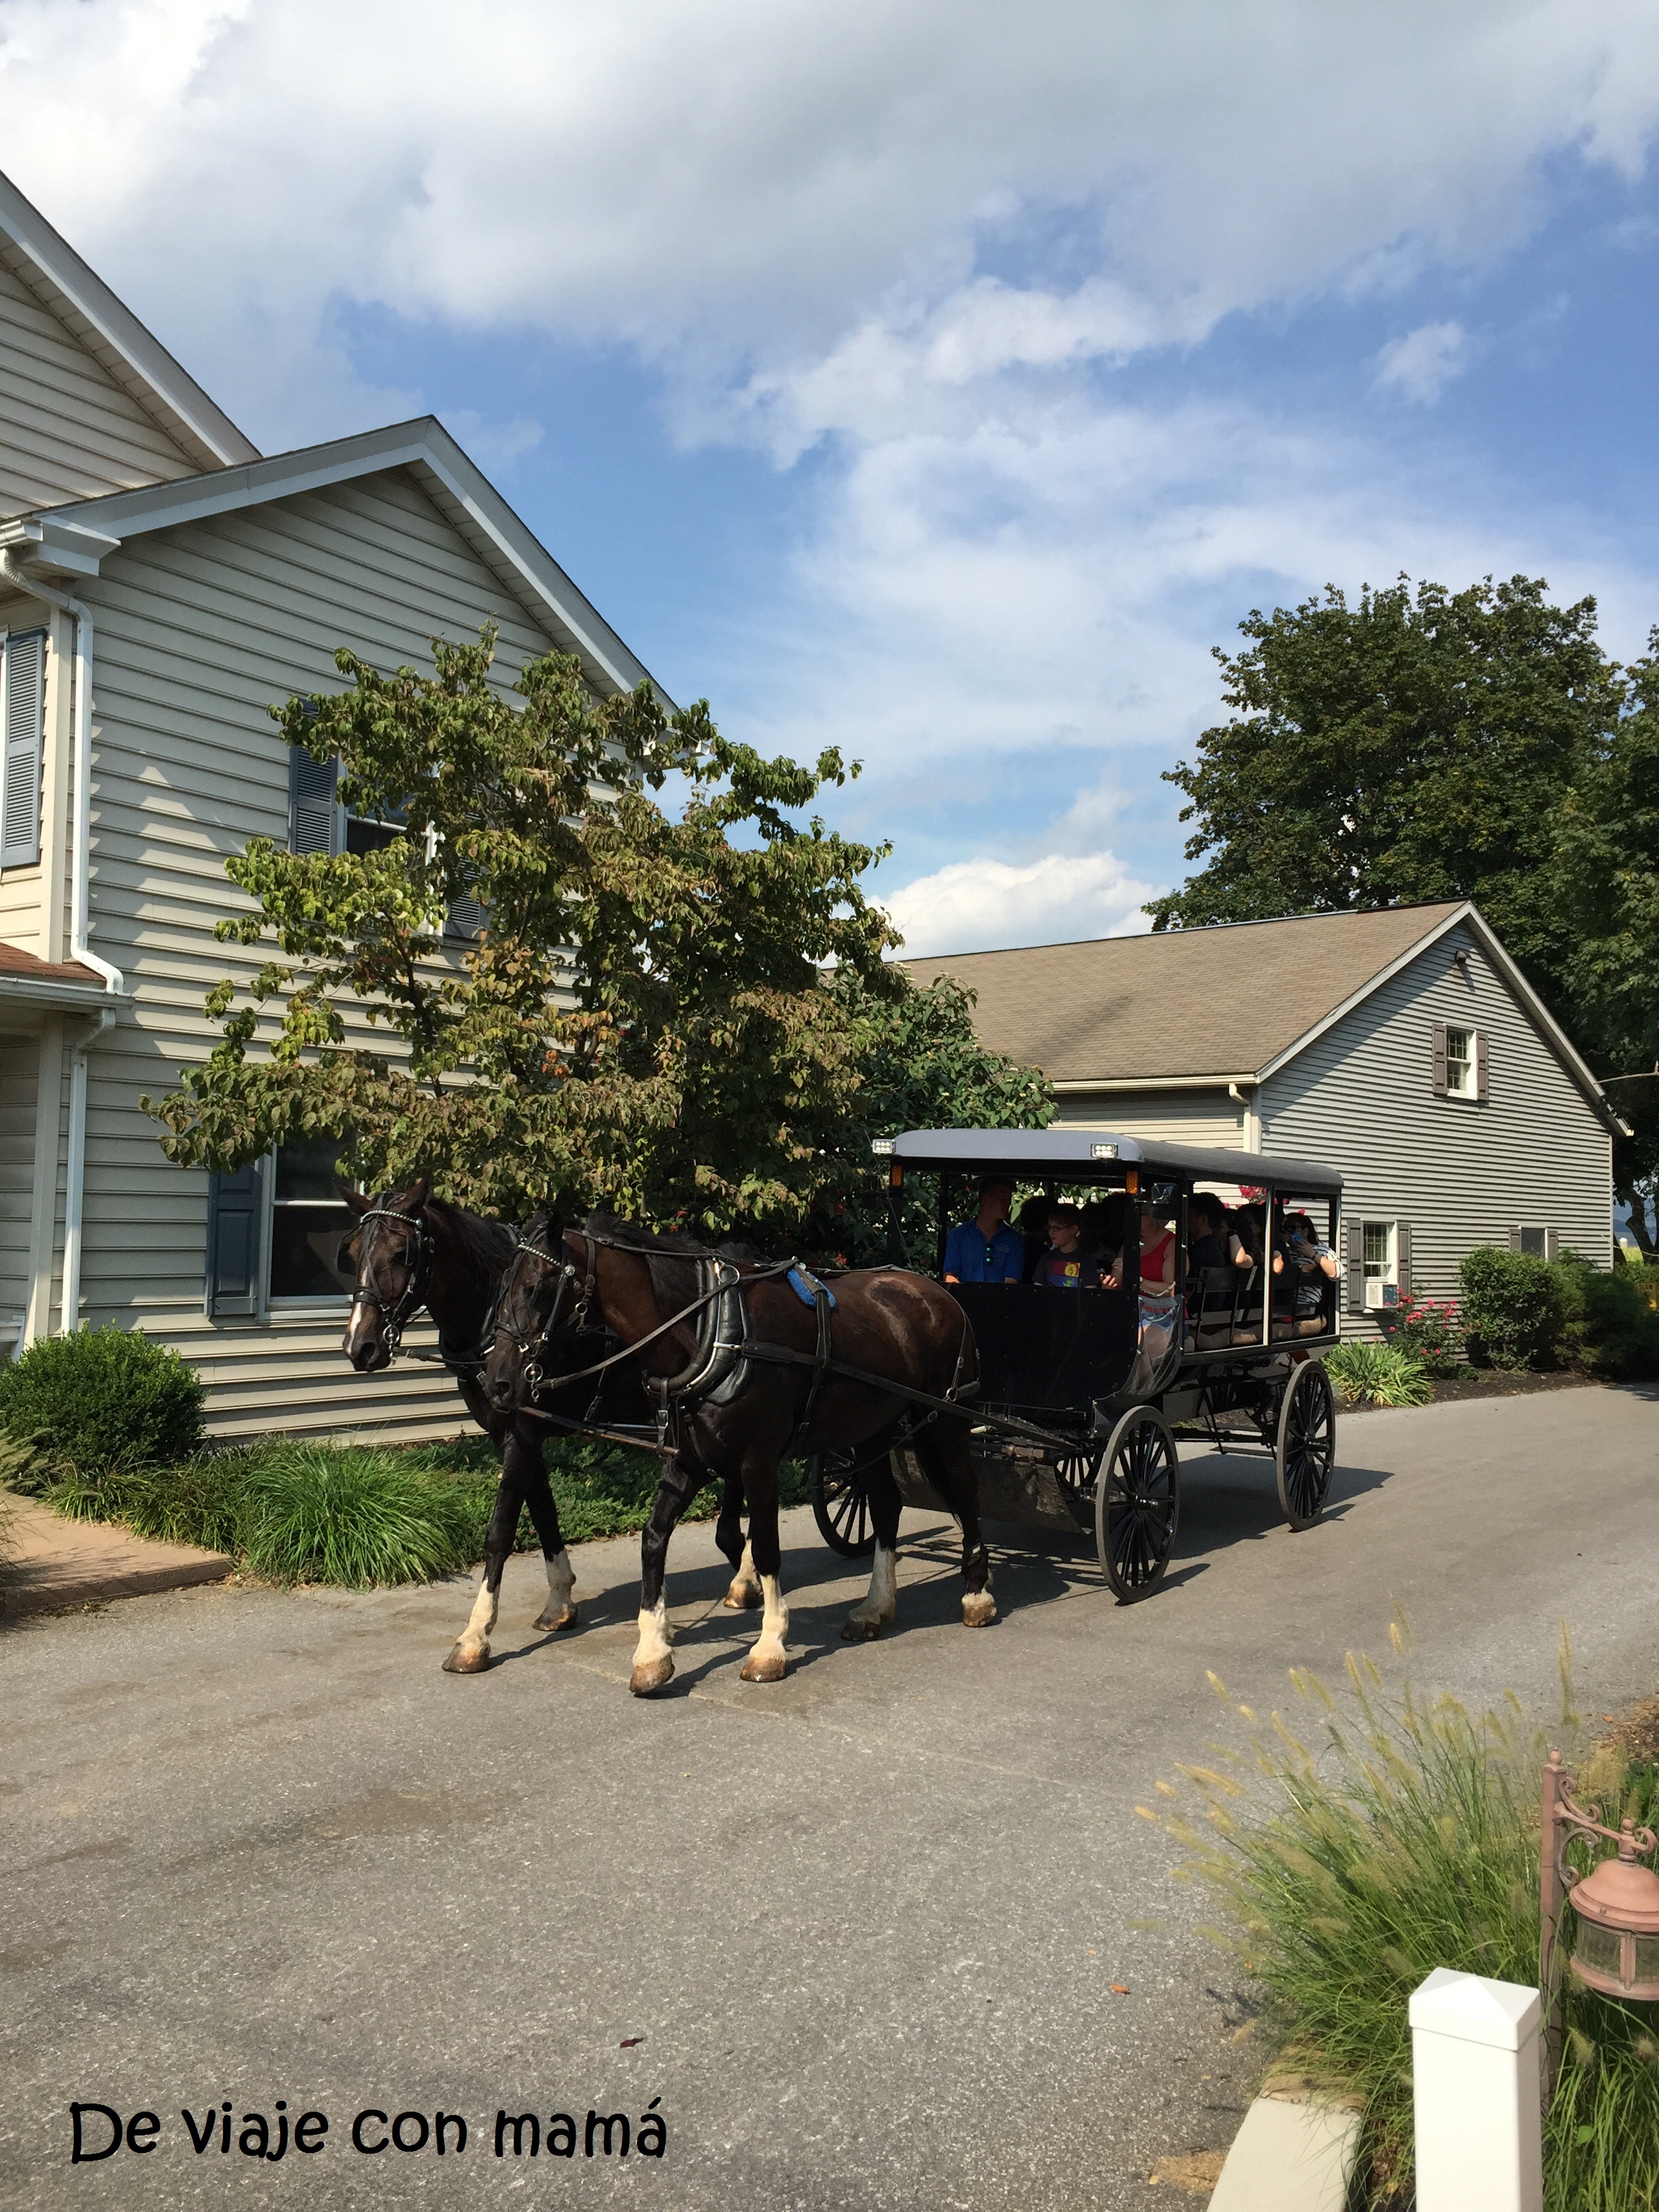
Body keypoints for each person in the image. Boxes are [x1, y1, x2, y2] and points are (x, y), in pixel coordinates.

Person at [942, 1176, 1025, 1284]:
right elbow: (949, 1276)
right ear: (985, 1199)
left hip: (1000, 1296)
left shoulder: (1014, 1240)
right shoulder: (958, 1236)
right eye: (1003, 1197)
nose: (1008, 1203)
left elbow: (1011, 1282)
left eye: (1009, 1198)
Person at [1281, 1210, 1338, 1335]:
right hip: (1283, 1307)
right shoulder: (1285, 1252)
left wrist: (1312, 1254)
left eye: (1292, 1228)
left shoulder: (1321, 1250)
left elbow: (1337, 1273)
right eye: (1285, 1229)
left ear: (1305, 1231)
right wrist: (1281, 1245)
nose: (1289, 1233)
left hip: (1307, 1308)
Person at [1038, 1203, 1103, 1288]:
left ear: (1073, 1229)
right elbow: (1037, 1290)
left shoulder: (1087, 1260)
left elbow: (1090, 1292)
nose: (1051, 1232)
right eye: (1049, 1228)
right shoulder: (1046, 1259)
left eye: (1057, 1228)